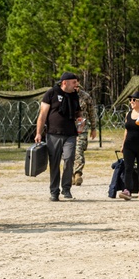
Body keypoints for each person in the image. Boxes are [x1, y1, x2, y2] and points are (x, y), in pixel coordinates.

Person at [34, 71, 82, 202]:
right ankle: (54, 191)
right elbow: (43, 114)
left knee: (69, 159)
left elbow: (78, 112)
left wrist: (80, 120)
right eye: (74, 82)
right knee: (54, 163)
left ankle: (66, 188)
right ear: (64, 82)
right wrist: (38, 132)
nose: (76, 85)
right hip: (53, 134)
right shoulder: (51, 93)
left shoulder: (74, 96)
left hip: (70, 134)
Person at [71, 79, 98, 186]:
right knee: (68, 152)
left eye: (76, 83)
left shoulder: (85, 97)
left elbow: (91, 112)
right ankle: (70, 175)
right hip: (67, 128)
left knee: (79, 150)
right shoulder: (65, 96)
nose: (75, 85)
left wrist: (93, 128)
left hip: (81, 128)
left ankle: (78, 173)